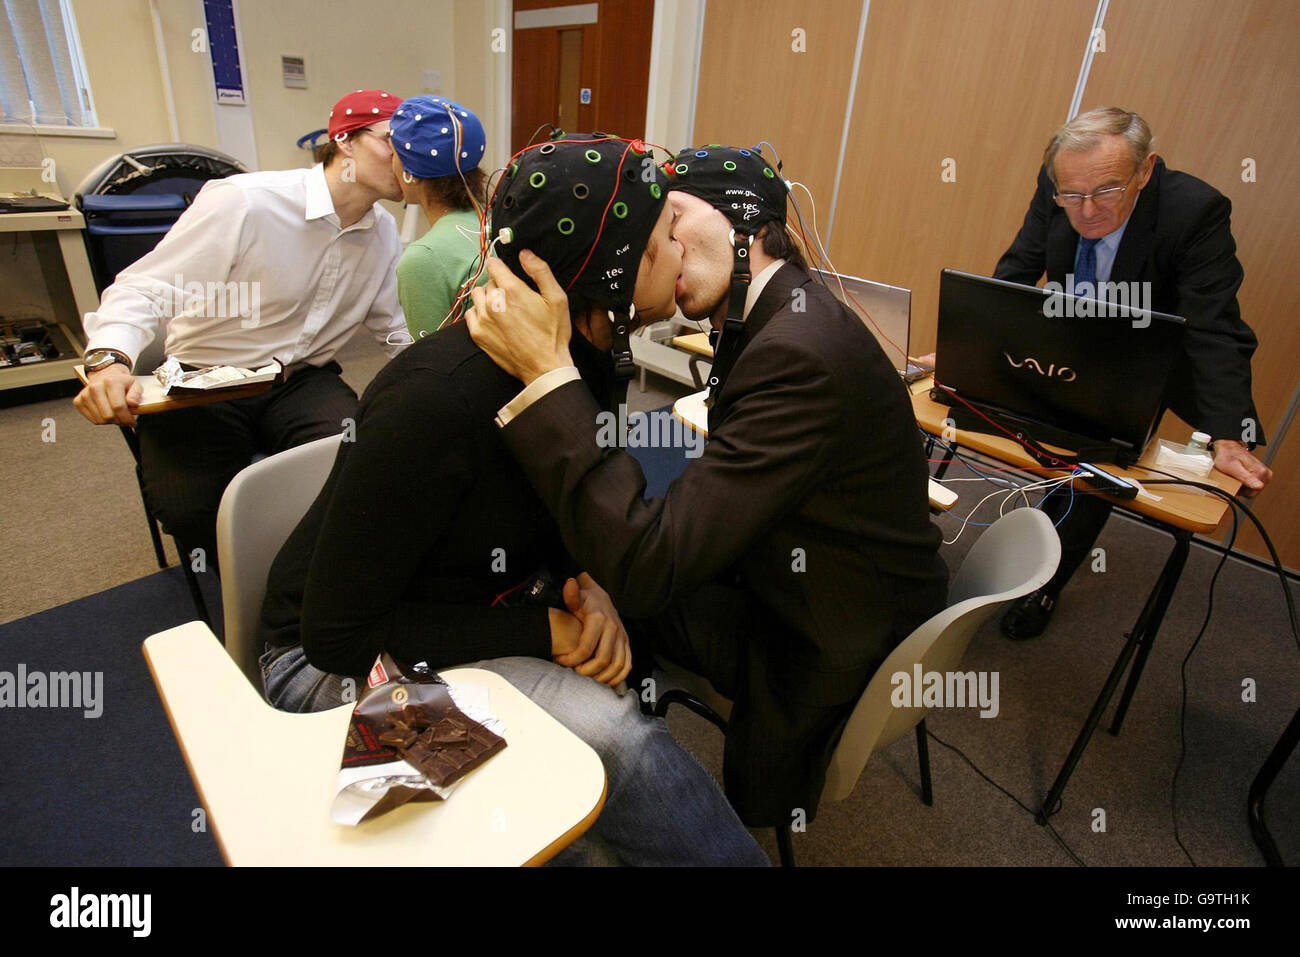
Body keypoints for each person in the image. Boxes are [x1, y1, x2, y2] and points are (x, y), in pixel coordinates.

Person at [258, 134, 768, 866]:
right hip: (325, 665)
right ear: (613, 269)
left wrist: (585, 587)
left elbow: (558, 498)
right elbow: (337, 637)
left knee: (582, 773)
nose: (684, 249)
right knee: (605, 745)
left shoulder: (579, 361)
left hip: (471, 609)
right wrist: (548, 633)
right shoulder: (434, 397)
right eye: (664, 238)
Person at [465, 144, 948, 829]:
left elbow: (647, 566)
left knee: (588, 584)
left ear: (740, 223)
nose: (656, 241)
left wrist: (551, 377)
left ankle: (620, 784)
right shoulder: (792, 312)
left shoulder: (795, 355)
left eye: (673, 218)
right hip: (841, 577)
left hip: (822, 630)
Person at [74, 89, 409, 574]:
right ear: (346, 141)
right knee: (191, 509)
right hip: (204, 379)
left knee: (358, 473)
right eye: (392, 142)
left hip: (298, 379)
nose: (407, 159)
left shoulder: (383, 235)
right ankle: (243, 584)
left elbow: (397, 331)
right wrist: (109, 361)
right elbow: (146, 288)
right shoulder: (246, 202)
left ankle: (306, 585)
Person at [991, 106, 1273, 639]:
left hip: (1148, 354)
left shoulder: (1194, 212)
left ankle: (1041, 583)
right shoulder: (1064, 181)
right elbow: (1020, 270)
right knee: (987, 414)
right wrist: (971, 348)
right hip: (1073, 328)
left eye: (1106, 191)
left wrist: (1230, 435)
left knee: (1097, 460)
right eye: (1071, 196)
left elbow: (1213, 328)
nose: (1087, 211)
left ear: (1145, 172)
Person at [388, 96, 488, 338]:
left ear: (411, 172)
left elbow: (430, 364)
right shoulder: (495, 226)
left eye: (393, 154)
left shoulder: (423, 259)